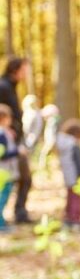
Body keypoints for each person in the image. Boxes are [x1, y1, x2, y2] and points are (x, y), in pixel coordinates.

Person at [0, 57, 32, 223]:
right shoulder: (3, 86)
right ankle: (17, 213)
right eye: (24, 69)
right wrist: (5, 130)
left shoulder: (11, 87)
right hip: (8, 143)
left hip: (16, 141)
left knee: (24, 178)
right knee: (22, 178)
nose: (26, 73)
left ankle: (20, 212)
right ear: (15, 69)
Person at [56, 119, 80, 231]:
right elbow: (78, 162)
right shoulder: (73, 145)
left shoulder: (63, 144)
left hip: (68, 176)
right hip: (76, 177)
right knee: (76, 199)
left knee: (70, 198)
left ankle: (68, 219)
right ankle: (75, 220)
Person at [0, 104, 22, 233]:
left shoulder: (6, 133)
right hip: (4, 171)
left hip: (6, 171)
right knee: (2, 197)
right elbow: (2, 154)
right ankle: (0, 224)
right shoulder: (2, 134)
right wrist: (18, 152)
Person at [35, 104, 60, 172]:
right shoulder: (52, 121)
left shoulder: (52, 121)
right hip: (51, 141)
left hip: (51, 141)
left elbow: (52, 133)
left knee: (44, 154)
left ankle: (43, 169)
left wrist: (51, 142)